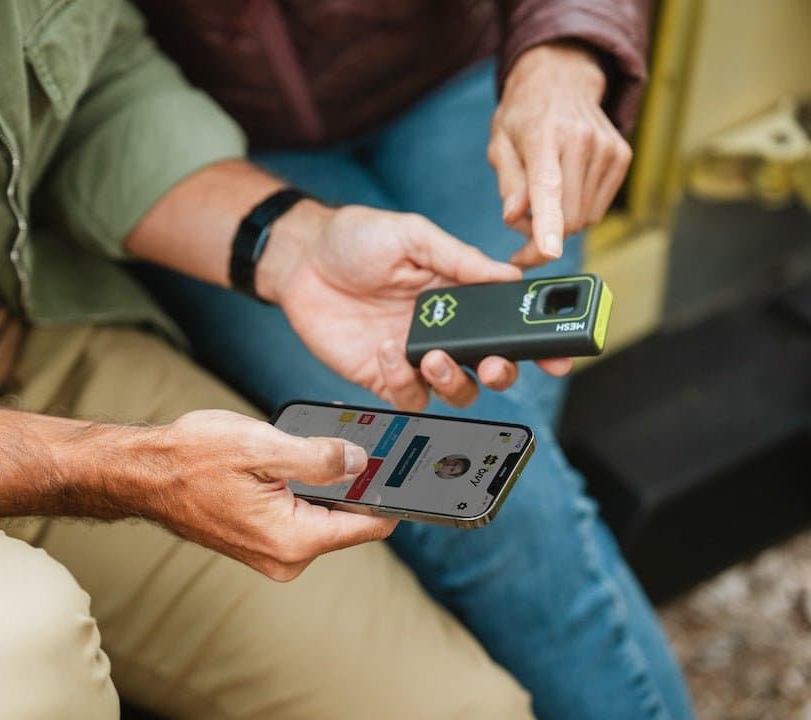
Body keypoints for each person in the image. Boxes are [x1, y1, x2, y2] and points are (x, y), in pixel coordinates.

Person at [0, 1, 580, 717]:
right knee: (10, 656)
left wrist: (294, 244)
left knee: (462, 709)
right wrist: (129, 470)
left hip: (36, 352)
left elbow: (99, 86)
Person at [131, 2, 695, 719]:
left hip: (464, 79)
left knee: (491, 482)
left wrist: (566, 48)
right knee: (493, 491)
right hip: (200, 152)